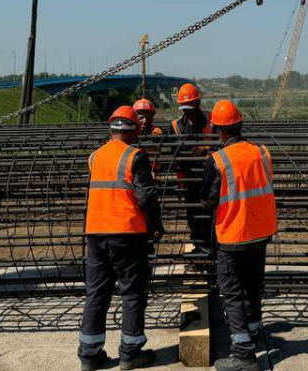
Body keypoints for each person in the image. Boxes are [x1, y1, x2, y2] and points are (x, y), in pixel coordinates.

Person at [78, 106, 164, 371]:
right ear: (133, 132)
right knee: (132, 293)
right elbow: (146, 196)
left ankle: (90, 356)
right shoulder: (135, 157)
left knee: (96, 293)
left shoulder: (95, 157)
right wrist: (156, 225)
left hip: (95, 234)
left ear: (111, 129)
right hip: (127, 234)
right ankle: (130, 353)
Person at [200, 100, 277, 371]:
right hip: (260, 234)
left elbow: (208, 200)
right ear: (240, 124)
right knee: (252, 287)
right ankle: (253, 333)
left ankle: (243, 354)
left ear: (219, 131)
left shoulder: (218, 160)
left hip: (233, 236)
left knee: (231, 292)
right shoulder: (262, 152)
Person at [169, 83, 215, 256]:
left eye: (190, 107)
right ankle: (199, 245)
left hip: (211, 179)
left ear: (198, 103)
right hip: (188, 179)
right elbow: (174, 154)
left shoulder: (212, 120)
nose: (187, 111)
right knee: (193, 213)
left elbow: (223, 147)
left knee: (210, 212)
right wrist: (188, 156)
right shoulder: (175, 126)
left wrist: (205, 149)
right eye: (184, 107)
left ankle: (210, 246)